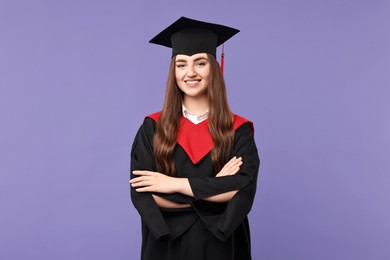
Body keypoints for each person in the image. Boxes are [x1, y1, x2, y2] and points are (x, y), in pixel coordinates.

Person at [130, 16, 260, 260]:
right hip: (167, 245)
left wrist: (173, 184)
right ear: (173, 71)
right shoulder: (152, 128)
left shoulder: (238, 130)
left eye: (200, 63)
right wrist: (215, 189)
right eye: (181, 64)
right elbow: (143, 193)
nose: (190, 72)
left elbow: (243, 189)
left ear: (214, 67)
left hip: (221, 245)